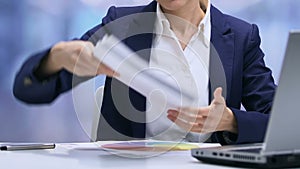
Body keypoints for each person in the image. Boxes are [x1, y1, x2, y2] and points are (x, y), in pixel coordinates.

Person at [13, 0, 276, 145]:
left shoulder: (242, 36)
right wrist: (57, 56)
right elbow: (28, 89)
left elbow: (280, 123)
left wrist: (230, 121)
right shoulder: (122, 26)